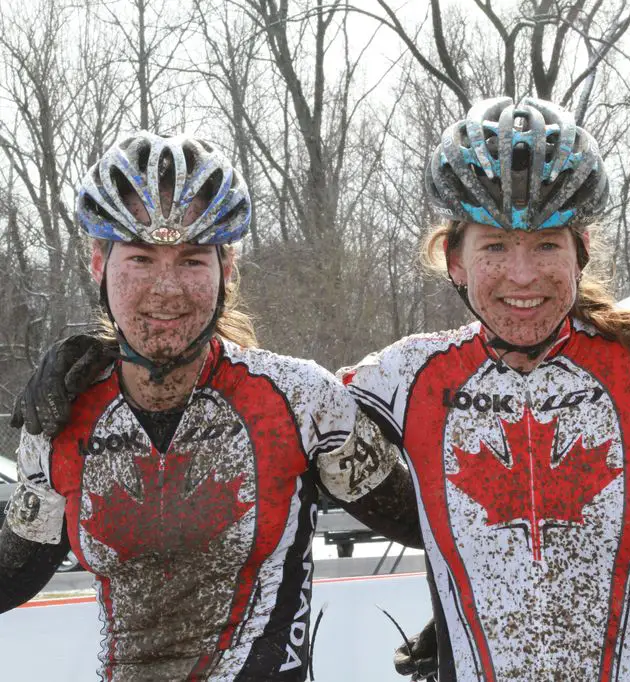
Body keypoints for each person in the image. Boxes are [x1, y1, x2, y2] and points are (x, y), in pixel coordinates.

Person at [9, 99, 630, 682]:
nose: (521, 275)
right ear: (451, 258)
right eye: (493, 245)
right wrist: (73, 384)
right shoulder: (394, 379)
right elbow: (358, 476)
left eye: (546, 243)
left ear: (582, 250)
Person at [0, 131, 419, 681]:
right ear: (99, 261)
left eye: (193, 260)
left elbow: (438, 525)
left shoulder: (302, 400)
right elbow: (13, 574)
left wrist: (460, 617)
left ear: (229, 269)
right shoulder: (58, 421)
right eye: (141, 259)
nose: (167, 288)